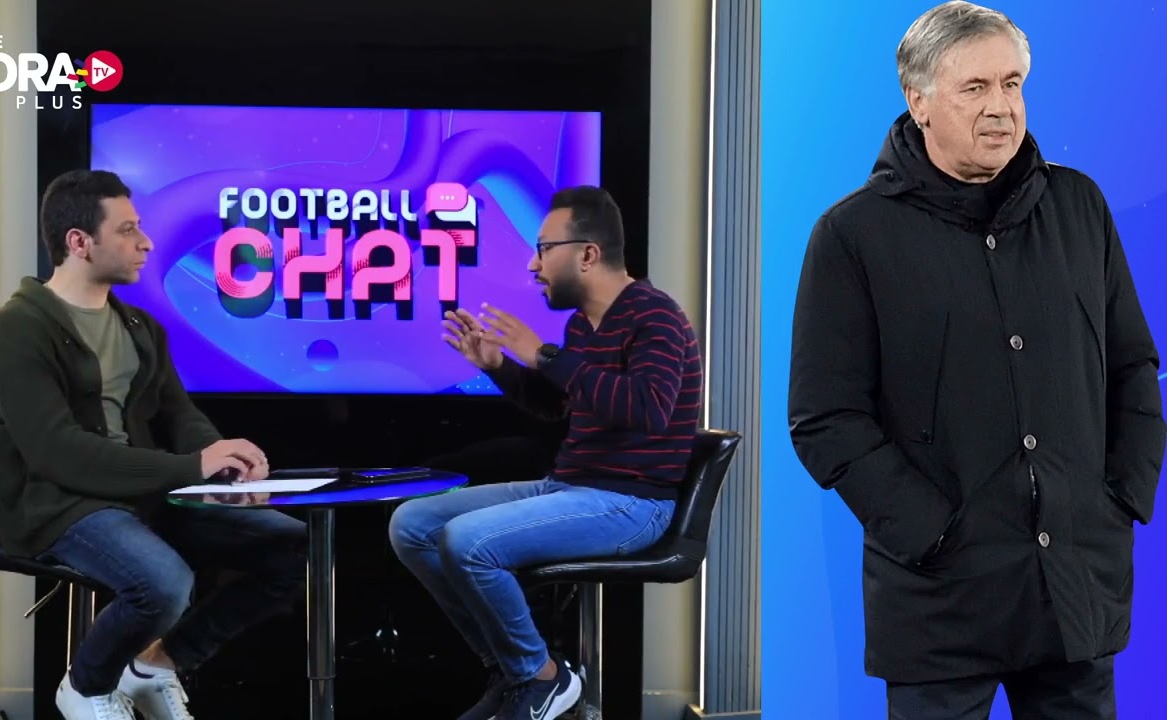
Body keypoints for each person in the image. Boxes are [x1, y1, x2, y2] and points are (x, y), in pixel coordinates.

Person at [788, 2, 1165, 718]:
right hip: (939, 602)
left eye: (1013, 83)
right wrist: (930, 531)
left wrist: (1121, 500)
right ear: (919, 101)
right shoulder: (851, 235)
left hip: (1075, 588)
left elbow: (1132, 366)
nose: (1001, 107)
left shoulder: (1080, 207)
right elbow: (824, 418)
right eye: (976, 88)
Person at [0, 169, 307, 720]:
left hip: (141, 496)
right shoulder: (17, 329)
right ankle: (87, 688)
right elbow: (58, 452)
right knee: (164, 584)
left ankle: (157, 666)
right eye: (127, 230)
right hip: (58, 502)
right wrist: (192, 466)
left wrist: (222, 460)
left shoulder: (138, 326)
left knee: (295, 547)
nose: (146, 242)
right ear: (79, 242)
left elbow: (178, 414)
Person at [388, 185, 702, 720]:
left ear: (588, 253)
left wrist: (545, 356)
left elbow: (648, 408)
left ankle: (542, 678)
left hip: (632, 503)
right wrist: (499, 366)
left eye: (544, 249)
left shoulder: (655, 317)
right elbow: (556, 404)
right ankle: (513, 672)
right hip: (571, 486)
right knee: (412, 524)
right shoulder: (583, 323)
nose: (534, 265)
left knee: (467, 541)